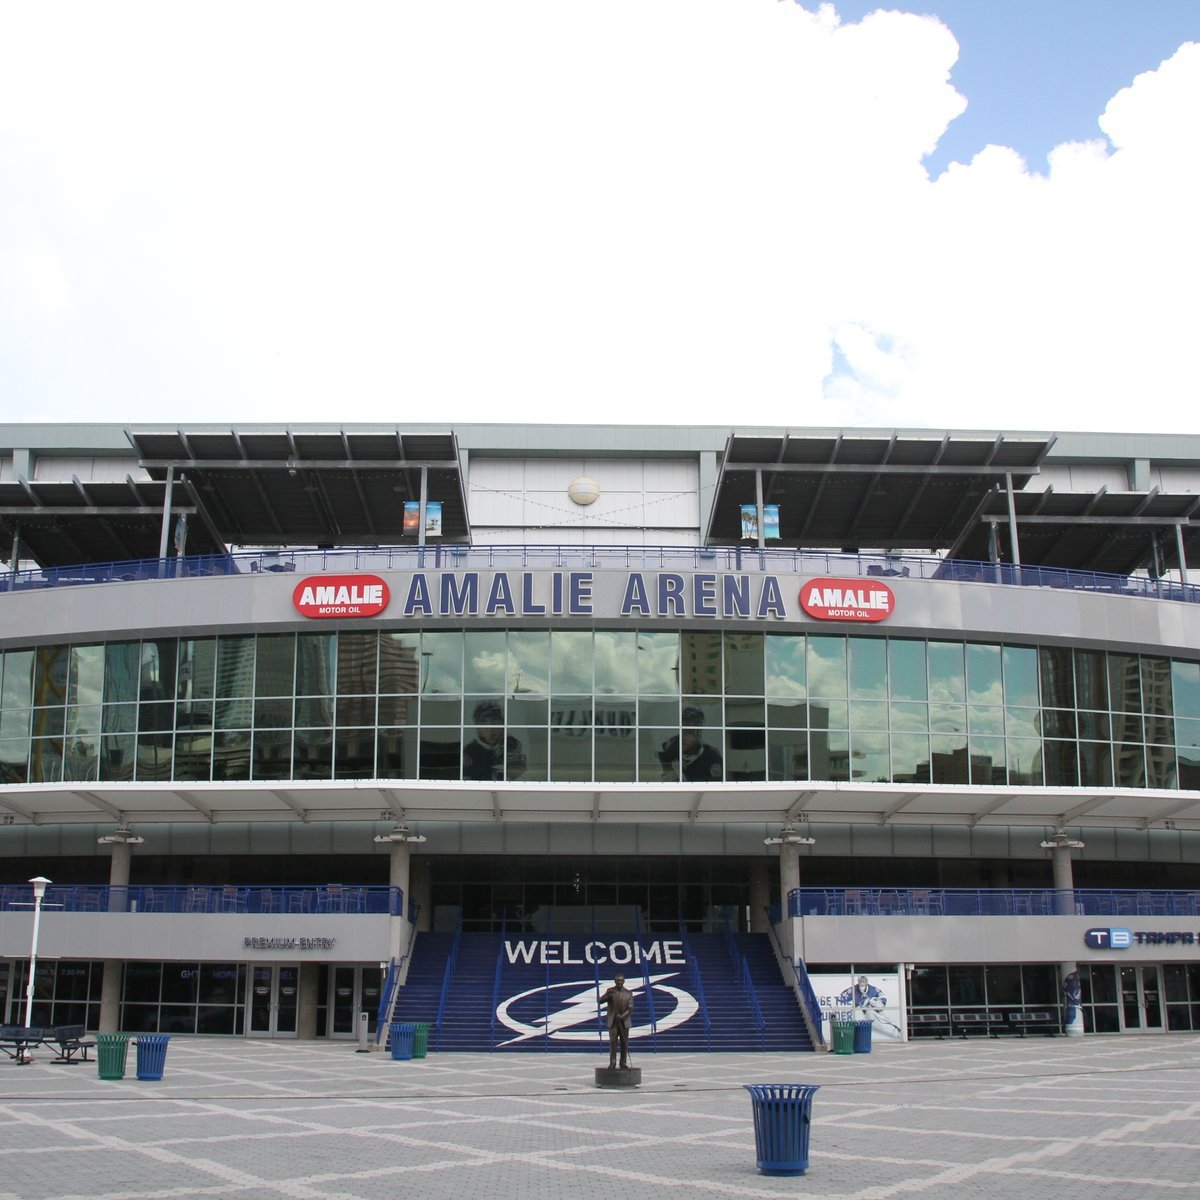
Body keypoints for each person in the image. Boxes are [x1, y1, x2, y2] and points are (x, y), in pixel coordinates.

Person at [463, 700, 526, 781]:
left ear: (502, 725)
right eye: (484, 722)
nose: (490, 728)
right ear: (478, 728)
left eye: (494, 721)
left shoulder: (512, 744)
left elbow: (519, 771)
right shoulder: (470, 751)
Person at [658, 706, 723, 782]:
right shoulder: (671, 747)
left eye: (690, 732)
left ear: (698, 733)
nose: (684, 737)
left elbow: (714, 785)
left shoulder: (712, 756)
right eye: (683, 730)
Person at [836, 974, 902, 1037]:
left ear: (866, 982)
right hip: (860, 1010)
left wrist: (880, 1003)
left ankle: (895, 1030)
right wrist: (849, 1006)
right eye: (860, 981)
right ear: (858, 982)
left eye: (863, 981)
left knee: (880, 1019)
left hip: (872, 1009)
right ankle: (894, 1032)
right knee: (862, 1019)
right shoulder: (853, 990)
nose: (862, 983)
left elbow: (882, 996)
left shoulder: (873, 989)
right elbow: (842, 998)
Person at [599, 973, 634, 1068]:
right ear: (615, 981)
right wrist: (607, 995)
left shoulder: (628, 993)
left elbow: (630, 1008)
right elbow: (600, 1001)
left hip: (624, 1022)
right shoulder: (610, 991)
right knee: (613, 1042)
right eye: (617, 980)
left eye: (621, 980)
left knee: (624, 1043)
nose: (619, 982)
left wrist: (622, 1017)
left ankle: (623, 1062)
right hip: (613, 1022)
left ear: (624, 981)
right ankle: (612, 1062)